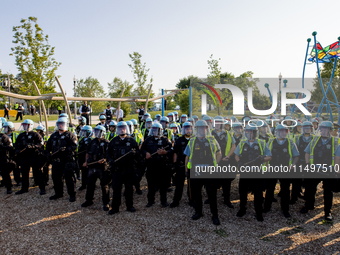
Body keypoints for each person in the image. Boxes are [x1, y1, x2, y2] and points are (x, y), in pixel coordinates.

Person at [185, 120, 222, 225]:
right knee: (196, 194)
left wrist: (216, 165)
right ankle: (198, 212)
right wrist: (186, 170)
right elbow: (187, 156)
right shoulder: (192, 141)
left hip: (209, 171)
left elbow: (219, 153)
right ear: (197, 129)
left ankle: (215, 215)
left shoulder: (212, 140)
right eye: (200, 128)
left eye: (204, 127)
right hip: (196, 171)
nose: (202, 129)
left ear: (207, 128)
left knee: (212, 195)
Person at [234, 124, 272, 221]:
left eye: (252, 132)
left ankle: (258, 212)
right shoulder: (242, 143)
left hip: (257, 173)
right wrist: (239, 162)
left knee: (258, 194)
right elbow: (236, 155)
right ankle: (242, 209)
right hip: (245, 172)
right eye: (248, 132)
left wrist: (262, 159)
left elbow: (270, 156)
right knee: (242, 192)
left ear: (255, 132)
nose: (250, 133)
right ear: (245, 132)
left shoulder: (262, 143)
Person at [301, 121, 338, 221]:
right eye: (322, 129)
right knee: (310, 188)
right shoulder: (314, 140)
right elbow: (307, 152)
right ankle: (308, 205)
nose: (324, 131)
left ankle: (327, 212)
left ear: (330, 130)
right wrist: (308, 163)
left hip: (329, 170)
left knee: (328, 191)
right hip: (315, 169)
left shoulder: (335, 141)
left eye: (326, 129)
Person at [265, 124, 299, 218]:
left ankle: (285, 209)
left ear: (287, 132)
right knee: (270, 188)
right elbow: (266, 155)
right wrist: (266, 166)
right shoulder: (271, 142)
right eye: (280, 131)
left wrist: (293, 164)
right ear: (277, 132)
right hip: (272, 169)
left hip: (285, 170)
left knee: (285, 190)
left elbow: (296, 156)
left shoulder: (291, 143)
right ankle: (267, 207)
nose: (282, 133)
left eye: (284, 131)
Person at [107, 121, 139, 214]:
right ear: (118, 129)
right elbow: (108, 153)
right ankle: (115, 208)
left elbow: (138, 153)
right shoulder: (113, 141)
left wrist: (134, 153)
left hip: (129, 169)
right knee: (116, 189)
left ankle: (130, 206)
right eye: (120, 128)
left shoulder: (132, 141)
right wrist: (110, 160)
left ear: (126, 129)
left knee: (129, 189)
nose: (122, 130)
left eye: (123, 128)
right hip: (117, 169)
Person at [141, 122, 172, 208]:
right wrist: (146, 153)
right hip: (151, 166)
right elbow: (142, 149)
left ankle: (163, 201)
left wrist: (165, 152)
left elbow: (171, 151)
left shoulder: (165, 140)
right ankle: (151, 201)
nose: (155, 132)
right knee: (151, 185)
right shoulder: (148, 140)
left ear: (160, 130)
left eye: (157, 130)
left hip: (162, 166)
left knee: (163, 185)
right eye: (153, 130)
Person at [46, 117, 77, 202]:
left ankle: (72, 195)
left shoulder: (70, 135)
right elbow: (48, 146)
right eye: (59, 124)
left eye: (62, 124)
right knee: (56, 178)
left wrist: (66, 149)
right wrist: (48, 154)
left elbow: (74, 146)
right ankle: (58, 193)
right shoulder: (54, 135)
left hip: (67, 160)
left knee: (69, 178)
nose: (61, 125)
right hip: (56, 161)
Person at [81, 125, 111, 211]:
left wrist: (104, 159)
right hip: (92, 167)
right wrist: (86, 162)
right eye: (96, 131)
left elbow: (109, 155)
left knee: (104, 186)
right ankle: (89, 200)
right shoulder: (92, 141)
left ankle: (106, 203)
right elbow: (87, 152)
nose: (96, 133)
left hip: (102, 168)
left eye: (99, 132)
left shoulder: (107, 143)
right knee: (90, 184)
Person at [15, 119, 45, 195]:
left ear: (30, 126)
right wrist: (18, 150)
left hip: (34, 156)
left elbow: (41, 144)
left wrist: (33, 146)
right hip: (24, 157)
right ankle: (24, 188)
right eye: (24, 125)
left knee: (37, 173)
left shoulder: (35, 134)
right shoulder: (21, 135)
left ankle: (42, 188)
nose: (25, 127)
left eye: (27, 125)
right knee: (24, 173)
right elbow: (17, 145)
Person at [211, 117, 236, 208]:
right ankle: (211, 198)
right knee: (212, 181)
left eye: (219, 123)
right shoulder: (210, 133)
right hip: (214, 161)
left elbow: (233, 146)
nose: (217, 124)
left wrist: (228, 156)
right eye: (216, 122)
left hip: (225, 161)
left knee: (226, 182)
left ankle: (226, 200)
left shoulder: (228, 134)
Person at [170, 122, 193, 208]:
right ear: (183, 129)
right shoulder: (179, 140)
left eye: (189, 128)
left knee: (191, 184)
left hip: (192, 165)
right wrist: (174, 164)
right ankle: (176, 201)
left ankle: (192, 200)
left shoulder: (194, 139)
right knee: (179, 184)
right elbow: (175, 152)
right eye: (186, 128)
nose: (188, 130)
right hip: (181, 165)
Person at [77, 126, 93, 191]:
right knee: (83, 173)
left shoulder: (91, 141)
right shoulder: (81, 139)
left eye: (84, 132)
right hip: (81, 158)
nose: (83, 133)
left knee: (89, 173)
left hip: (88, 159)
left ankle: (90, 185)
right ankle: (83, 185)